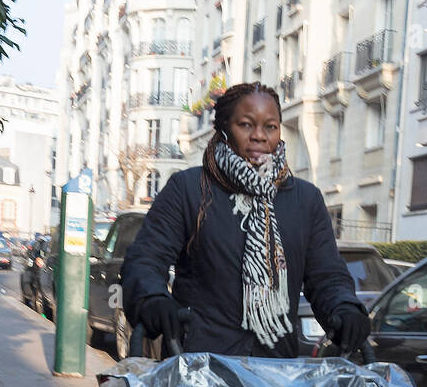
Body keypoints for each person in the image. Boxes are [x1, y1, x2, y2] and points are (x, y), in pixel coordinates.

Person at [120, 82, 371, 357]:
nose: (259, 136)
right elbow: (146, 259)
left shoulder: (305, 200)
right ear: (224, 129)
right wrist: (153, 298)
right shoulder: (188, 189)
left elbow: (327, 276)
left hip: (273, 375)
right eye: (246, 125)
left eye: (270, 127)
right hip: (199, 367)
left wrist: (344, 307)